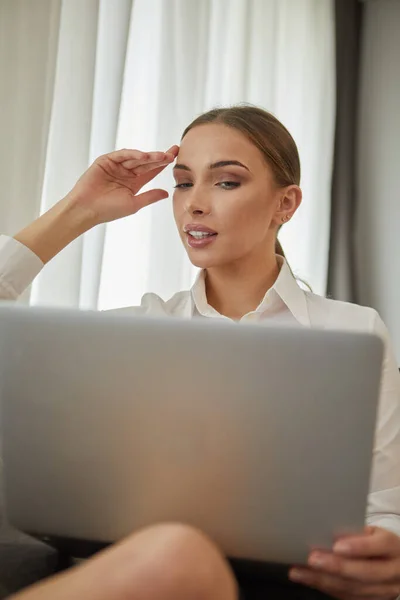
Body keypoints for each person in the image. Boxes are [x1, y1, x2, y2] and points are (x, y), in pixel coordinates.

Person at [1, 105, 400, 599]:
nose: (194, 204)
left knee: (179, 554)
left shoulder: (354, 332)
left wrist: (388, 552)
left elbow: (385, 505)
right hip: (148, 578)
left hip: (292, 583)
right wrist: (77, 210)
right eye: (183, 183)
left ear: (286, 204)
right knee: (174, 553)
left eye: (226, 182)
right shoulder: (139, 332)